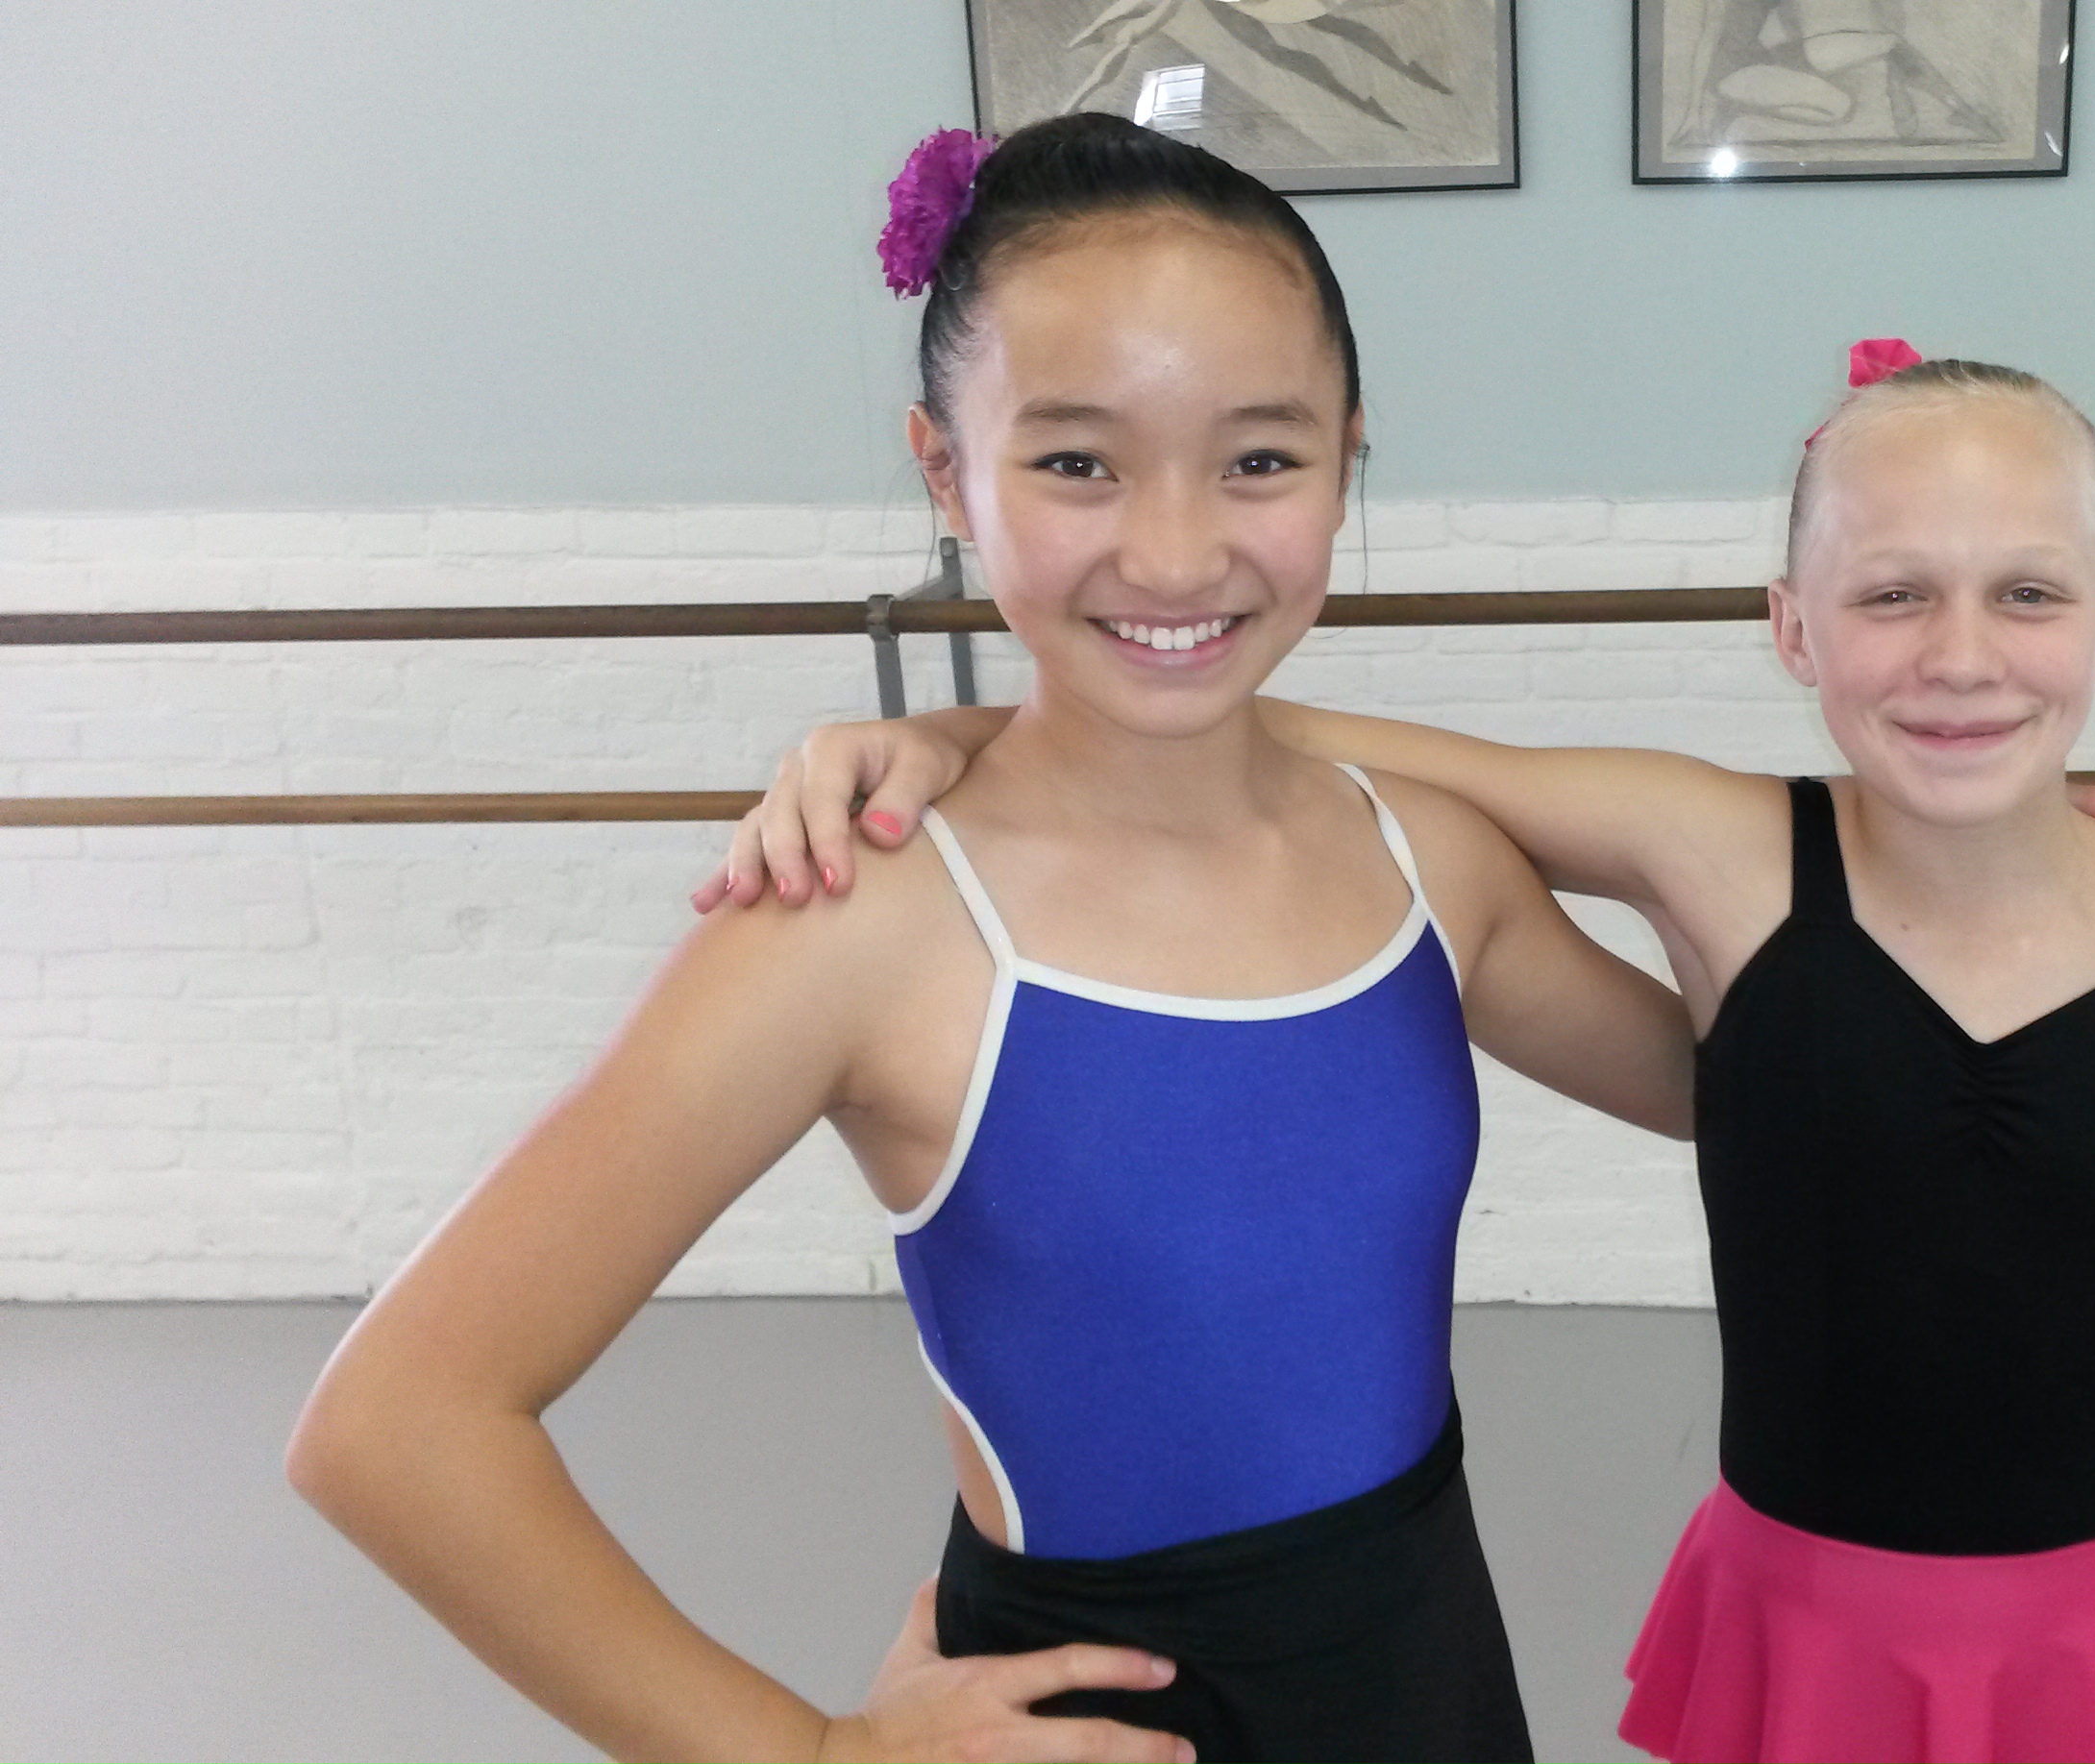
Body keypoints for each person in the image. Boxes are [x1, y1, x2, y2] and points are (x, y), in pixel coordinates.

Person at [714, 347, 2095, 1762]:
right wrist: (961, 736)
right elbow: (1293, 736)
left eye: (2027, 593)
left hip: (2086, 1636)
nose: (1961, 658)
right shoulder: (1723, 853)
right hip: (1799, 1619)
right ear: (1793, 625)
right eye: (1891, 595)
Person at [286, 112, 1738, 1764]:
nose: (1174, 549)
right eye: (1076, 463)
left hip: (1422, 1669)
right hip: (1093, 1717)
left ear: (1349, 455)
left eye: (1260, 461)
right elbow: (395, 1422)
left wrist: (1960, 853)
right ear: (943, 470)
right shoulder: (865, 922)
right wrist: (819, 1757)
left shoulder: (1433, 865)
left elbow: (1758, 1093)